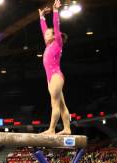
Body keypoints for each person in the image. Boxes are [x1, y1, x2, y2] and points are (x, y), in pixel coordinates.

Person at [38, 0, 71, 135]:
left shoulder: (57, 43)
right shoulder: (48, 45)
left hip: (56, 76)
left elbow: (56, 27)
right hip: (50, 78)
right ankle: (67, 128)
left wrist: (56, 11)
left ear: (53, 36)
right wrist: (41, 17)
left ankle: (52, 129)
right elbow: (44, 29)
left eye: (48, 34)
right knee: (62, 105)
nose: (45, 35)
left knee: (55, 104)